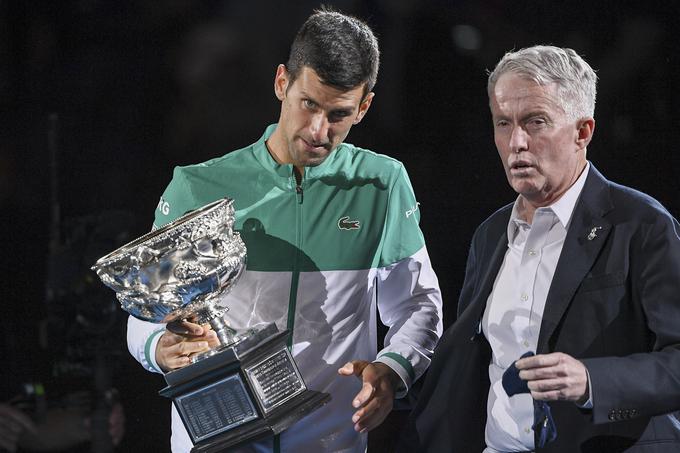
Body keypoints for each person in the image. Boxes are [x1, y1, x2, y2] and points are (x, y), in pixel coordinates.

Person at [126, 7, 443, 453]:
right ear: (282, 83)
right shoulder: (196, 186)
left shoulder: (383, 184)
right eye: (308, 104)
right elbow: (145, 314)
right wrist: (158, 346)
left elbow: (417, 304)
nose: (318, 130)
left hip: (330, 442)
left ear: (364, 107)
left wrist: (393, 369)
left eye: (338, 114)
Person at [401, 45, 680, 452]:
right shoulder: (490, 234)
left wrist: (591, 382)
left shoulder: (642, 226)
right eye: (503, 123)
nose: (516, 142)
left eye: (535, 122)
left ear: (583, 132)